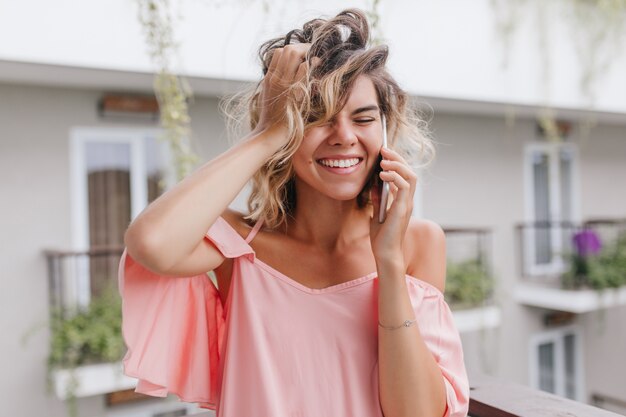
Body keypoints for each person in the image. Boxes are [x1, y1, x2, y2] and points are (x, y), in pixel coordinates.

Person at [119, 9, 469, 417]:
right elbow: (151, 242)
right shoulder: (239, 244)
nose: (344, 137)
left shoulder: (417, 244)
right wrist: (267, 133)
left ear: (386, 131)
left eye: (364, 118)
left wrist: (388, 263)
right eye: (315, 118)